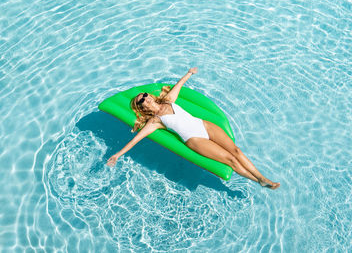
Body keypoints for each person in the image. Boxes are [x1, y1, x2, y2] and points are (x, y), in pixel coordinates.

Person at [107, 67, 280, 189]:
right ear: (142, 107)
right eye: (141, 100)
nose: (145, 97)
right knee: (231, 160)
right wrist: (117, 155)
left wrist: (189, 73)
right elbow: (136, 140)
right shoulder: (154, 121)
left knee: (236, 150)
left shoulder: (167, 100)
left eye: (145, 95)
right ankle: (260, 180)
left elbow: (178, 86)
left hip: (203, 125)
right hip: (194, 139)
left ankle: (262, 177)